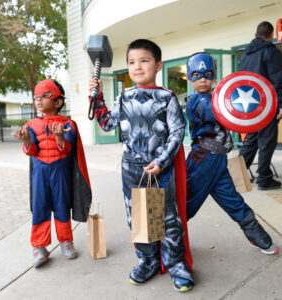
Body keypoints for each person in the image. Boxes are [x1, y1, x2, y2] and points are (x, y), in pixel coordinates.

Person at [88, 39, 194, 292]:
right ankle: (147, 261)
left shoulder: (167, 97)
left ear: (158, 65)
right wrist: (97, 97)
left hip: (159, 170)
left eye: (144, 61)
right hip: (131, 169)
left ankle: (176, 265)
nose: (137, 67)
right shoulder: (124, 97)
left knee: (167, 220)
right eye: (132, 62)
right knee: (140, 220)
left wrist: (161, 161)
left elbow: (178, 133)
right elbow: (106, 124)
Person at [185, 52, 279, 256]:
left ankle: (257, 236)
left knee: (232, 200)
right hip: (202, 159)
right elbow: (219, 111)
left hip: (218, 160)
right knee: (186, 203)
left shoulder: (220, 96)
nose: (202, 79)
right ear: (189, 78)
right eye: (196, 74)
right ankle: (168, 241)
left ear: (214, 75)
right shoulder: (195, 102)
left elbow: (235, 112)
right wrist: (236, 97)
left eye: (207, 74)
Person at [13, 79, 92, 267]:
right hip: (40, 172)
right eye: (36, 96)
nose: (39, 99)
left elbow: (68, 150)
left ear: (58, 102)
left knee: (62, 205)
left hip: (61, 171)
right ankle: (39, 245)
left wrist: (59, 137)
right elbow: (32, 151)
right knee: (40, 207)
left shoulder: (68, 124)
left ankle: (65, 241)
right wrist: (26, 142)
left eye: (45, 95)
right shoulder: (31, 124)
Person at [239, 21, 282, 190]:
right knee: (266, 142)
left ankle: (237, 177)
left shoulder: (245, 55)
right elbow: (278, 79)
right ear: (271, 35)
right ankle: (264, 179)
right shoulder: (270, 51)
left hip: (249, 104)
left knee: (250, 141)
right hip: (267, 104)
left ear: (255, 35)